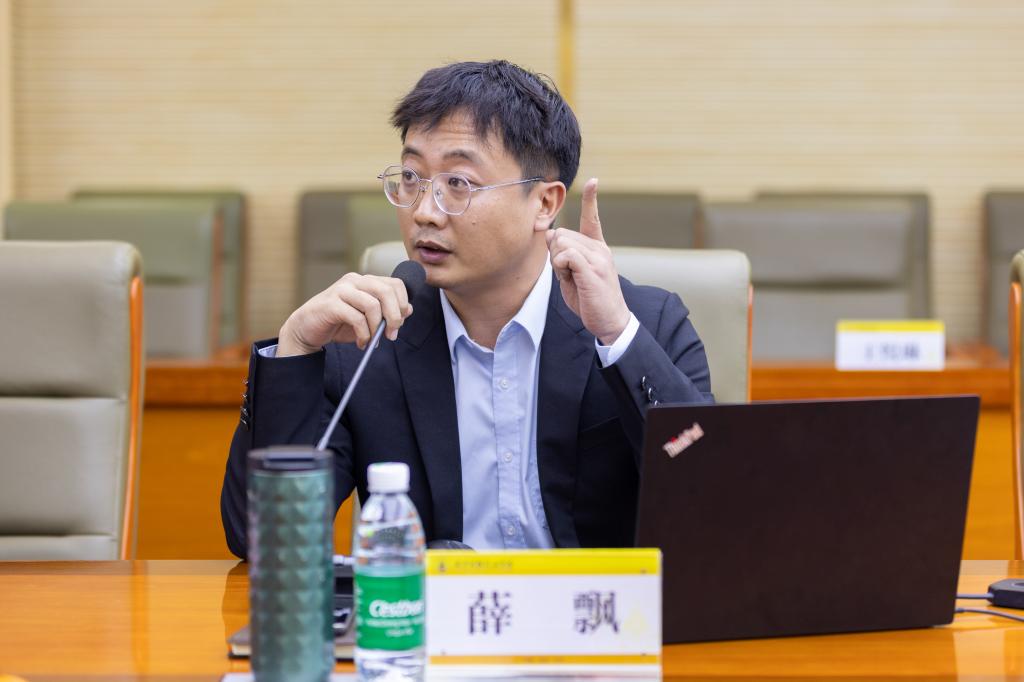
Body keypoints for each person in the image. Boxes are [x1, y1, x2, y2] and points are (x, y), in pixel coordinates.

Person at [221, 59, 712, 559]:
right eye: (411, 177)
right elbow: (262, 540)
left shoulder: (643, 325)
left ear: (544, 204)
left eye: (458, 183)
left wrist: (615, 336)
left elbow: (710, 504)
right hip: (430, 608)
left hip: (593, 608)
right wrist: (296, 348)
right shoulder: (367, 342)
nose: (423, 211)